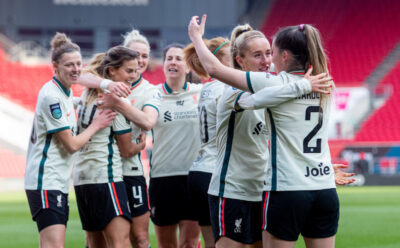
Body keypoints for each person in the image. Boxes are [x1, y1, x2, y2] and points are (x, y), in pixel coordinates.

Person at [188, 15, 338, 248]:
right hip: (234, 188)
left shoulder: (279, 86)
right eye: (258, 55)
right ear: (240, 60)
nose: (267, 60)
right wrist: (302, 86)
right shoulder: (235, 90)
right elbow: (231, 82)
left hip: (265, 187)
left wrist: (315, 168)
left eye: (269, 53)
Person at [24, 32, 115, 248]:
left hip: (56, 181)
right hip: (46, 181)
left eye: (78, 64)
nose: (75, 69)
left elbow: (76, 102)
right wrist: (97, 124)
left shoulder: (63, 93)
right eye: (69, 65)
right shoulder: (52, 97)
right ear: (55, 66)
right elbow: (72, 145)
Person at [77, 28, 160, 248]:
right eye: (135, 55)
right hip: (107, 172)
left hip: (127, 171)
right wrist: (108, 87)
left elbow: (148, 121)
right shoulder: (105, 85)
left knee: (139, 237)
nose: (140, 61)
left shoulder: (149, 90)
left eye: (144, 56)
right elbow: (78, 75)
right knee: (110, 240)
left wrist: (115, 99)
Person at [148, 43, 201, 248]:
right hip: (162, 178)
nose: (173, 62)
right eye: (169, 58)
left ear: (188, 67)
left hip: (192, 178)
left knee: (189, 243)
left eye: (179, 58)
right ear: (163, 65)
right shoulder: (152, 95)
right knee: (167, 246)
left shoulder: (201, 92)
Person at [184, 37, 230, 248]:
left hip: (200, 170)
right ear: (218, 59)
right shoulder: (227, 89)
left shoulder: (207, 88)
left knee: (211, 243)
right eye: (232, 52)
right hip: (217, 173)